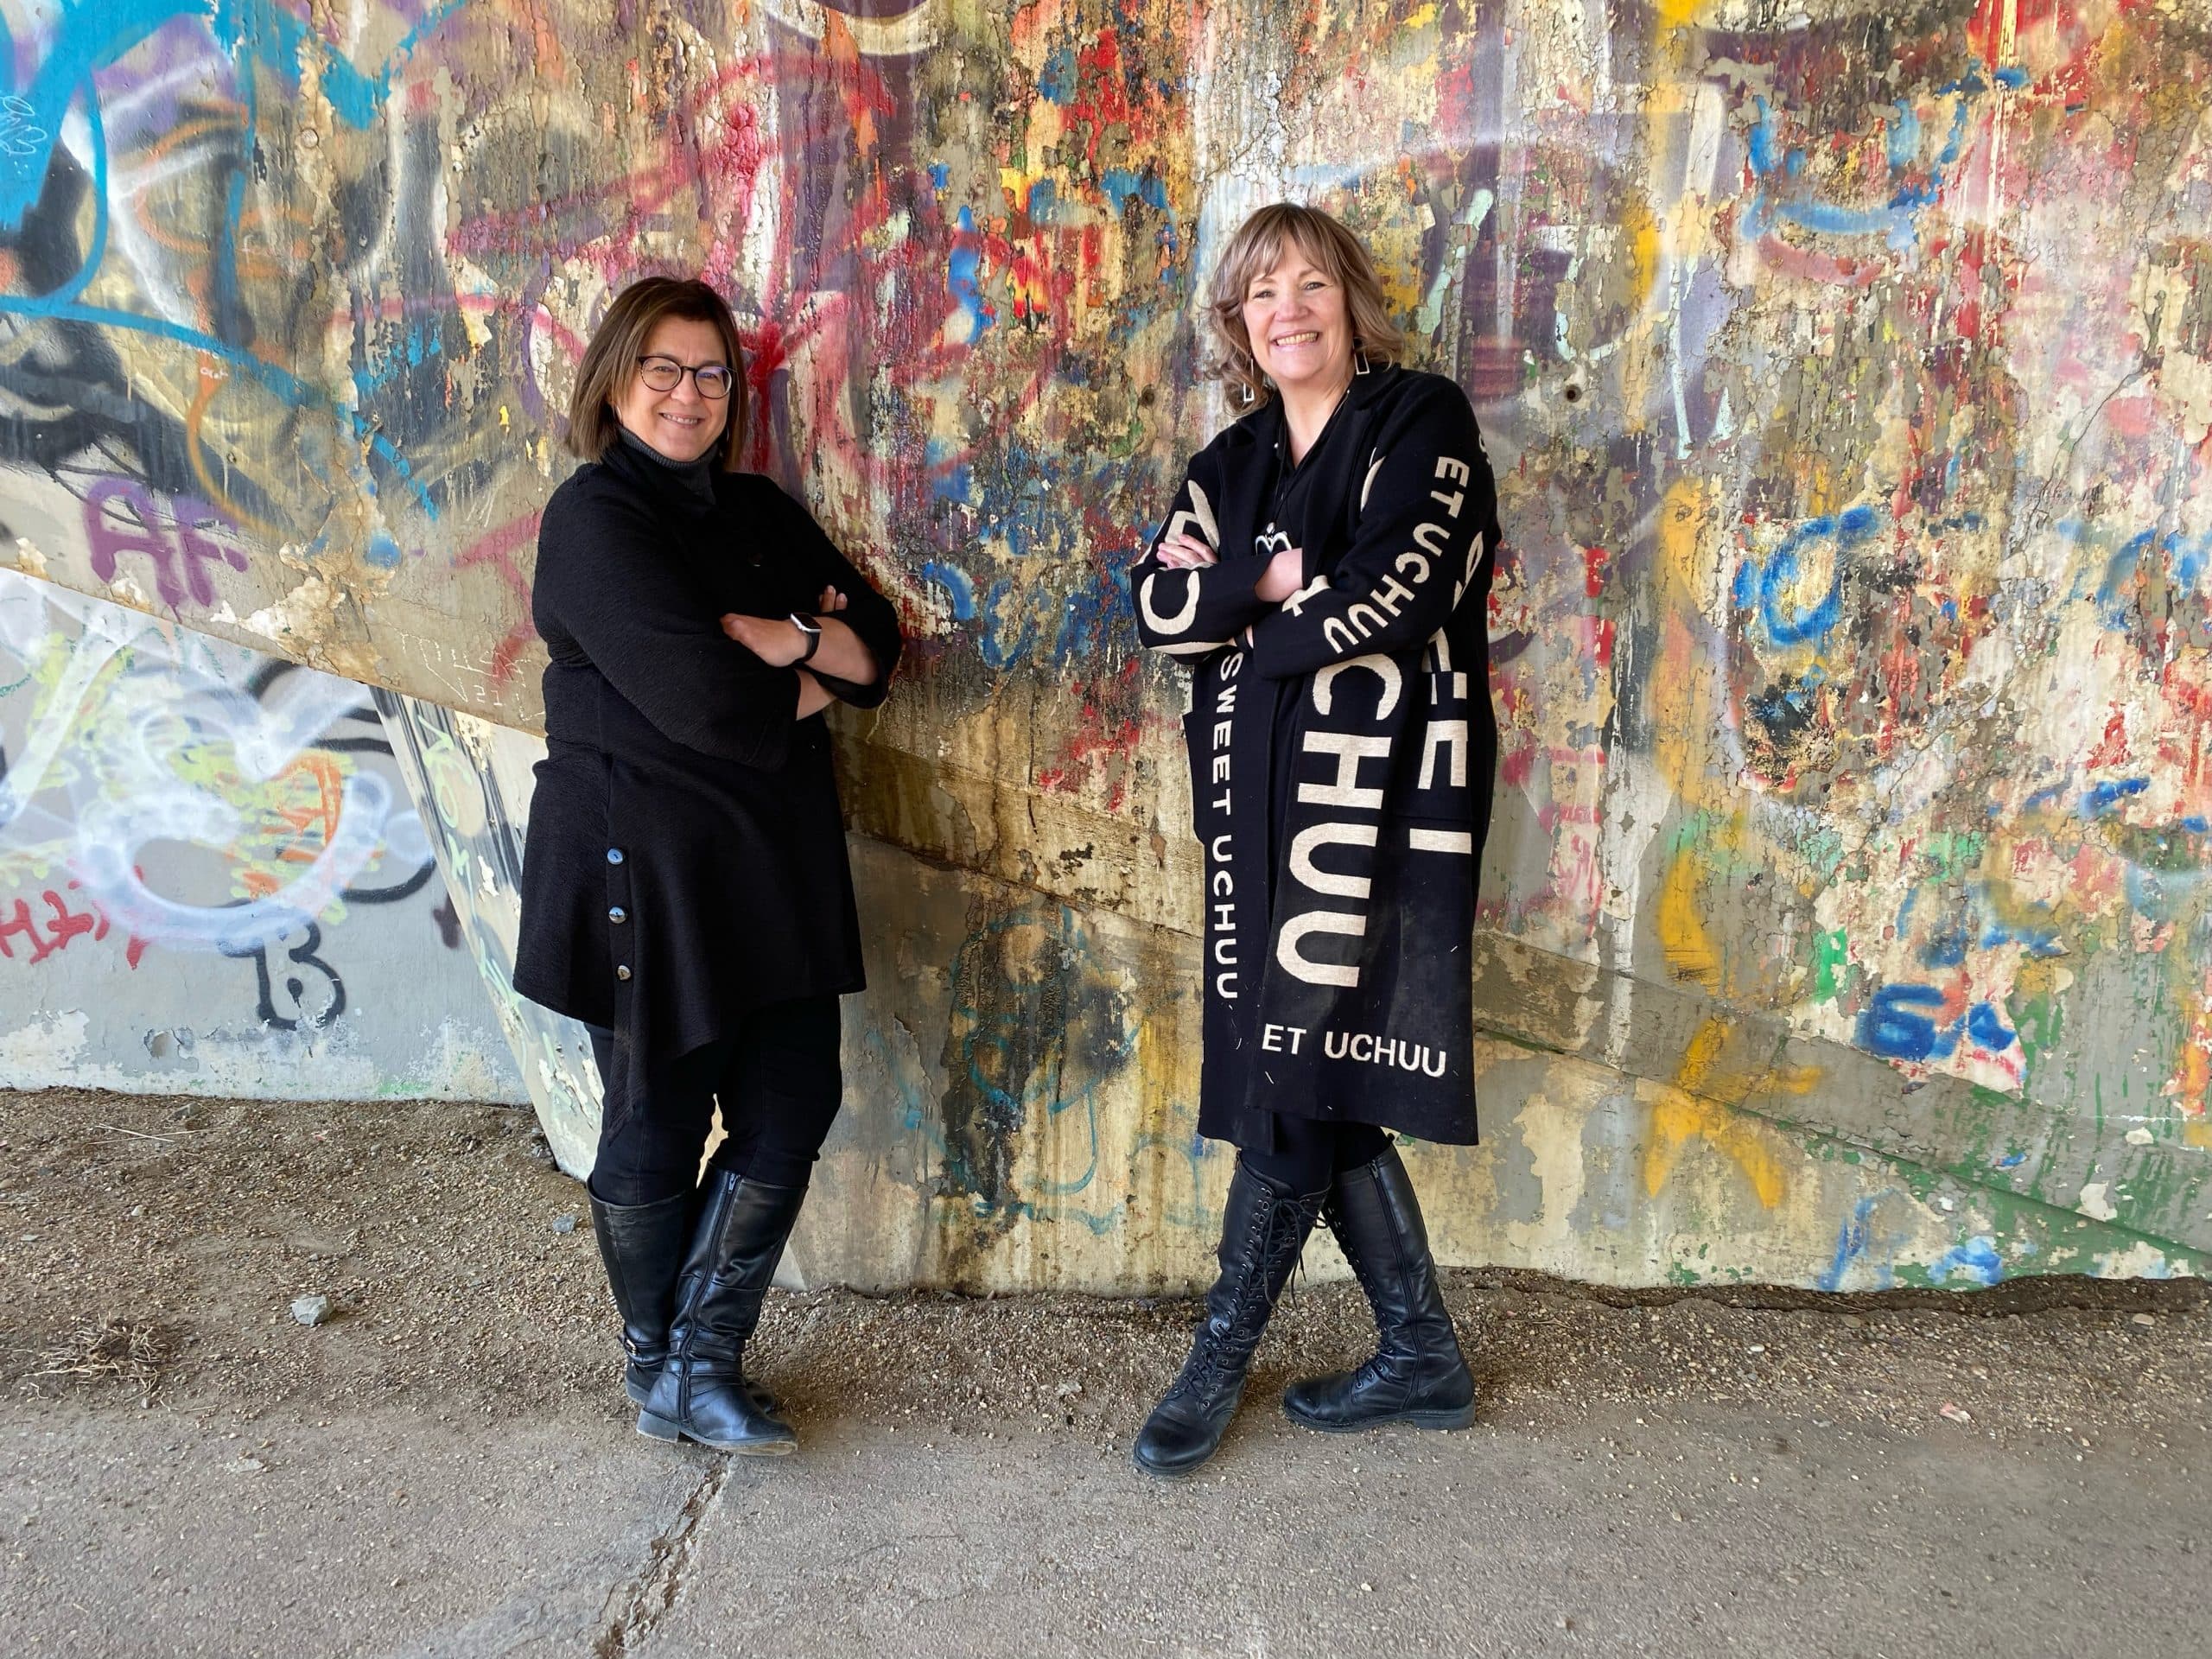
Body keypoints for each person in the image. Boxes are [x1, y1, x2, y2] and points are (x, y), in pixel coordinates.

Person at [1125, 203, 1501, 1478]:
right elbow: (1158, 610)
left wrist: (1257, 627)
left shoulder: (1419, 421)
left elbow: (1406, 584)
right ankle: (1421, 1353)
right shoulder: (1230, 463)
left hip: (1379, 803)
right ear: (1238, 325)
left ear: (1349, 296)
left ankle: (1218, 1357)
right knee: (1307, 1060)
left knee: (1291, 1065)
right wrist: (1271, 586)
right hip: (1253, 812)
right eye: (1260, 294)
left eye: (1308, 283)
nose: (1287, 308)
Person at [514, 276, 902, 1456]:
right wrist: (795, 665)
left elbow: (878, 650)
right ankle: (666, 1363)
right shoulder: (593, 522)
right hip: (646, 869)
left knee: (795, 1101)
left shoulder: (755, 511)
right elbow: (704, 707)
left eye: (711, 373)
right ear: (614, 381)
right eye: (663, 370)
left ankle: (690, 1364)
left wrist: (776, 636)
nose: (689, 394)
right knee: (655, 1122)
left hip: (771, 863)